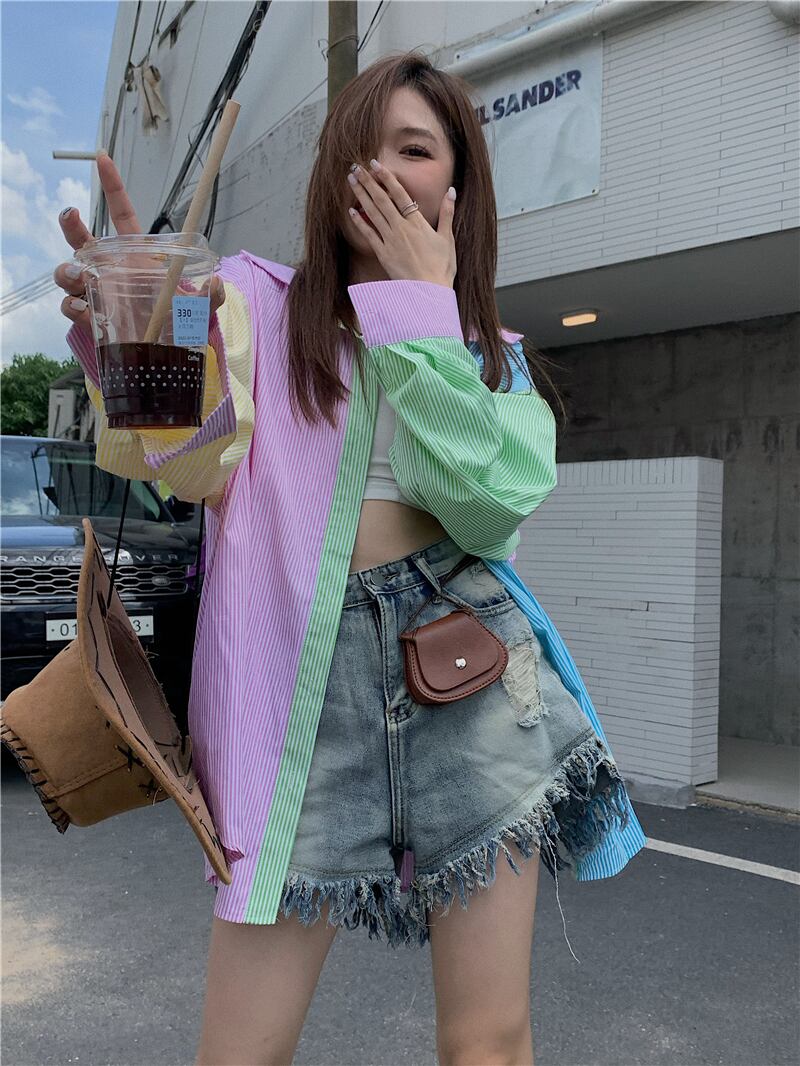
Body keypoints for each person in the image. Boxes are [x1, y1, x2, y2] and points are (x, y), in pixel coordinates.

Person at [55, 51, 646, 1066]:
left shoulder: (487, 352)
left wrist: (420, 309)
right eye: (357, 153)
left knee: (489, 1042)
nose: (379, 172)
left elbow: (491, 507)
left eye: (413, 150)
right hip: (296, 691)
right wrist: (136, 332)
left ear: (457, 190)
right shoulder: (252, 300)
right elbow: (182, 464)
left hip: (470, 671)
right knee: (239, 1051)